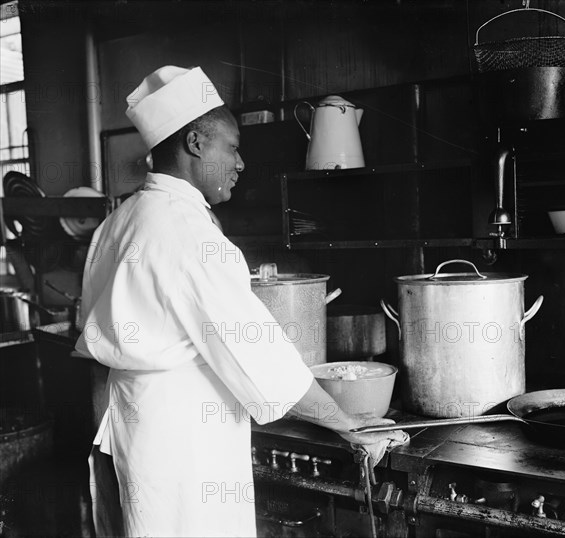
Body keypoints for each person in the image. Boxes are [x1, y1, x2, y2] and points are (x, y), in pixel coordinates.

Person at [75, 65, 405, 538]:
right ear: (195, 144)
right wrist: (346, 421)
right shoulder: (185, 231)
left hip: (135, 425)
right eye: (231, 147)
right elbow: (259, 359)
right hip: (185, 441)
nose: (240, 163)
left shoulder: (120, 219)